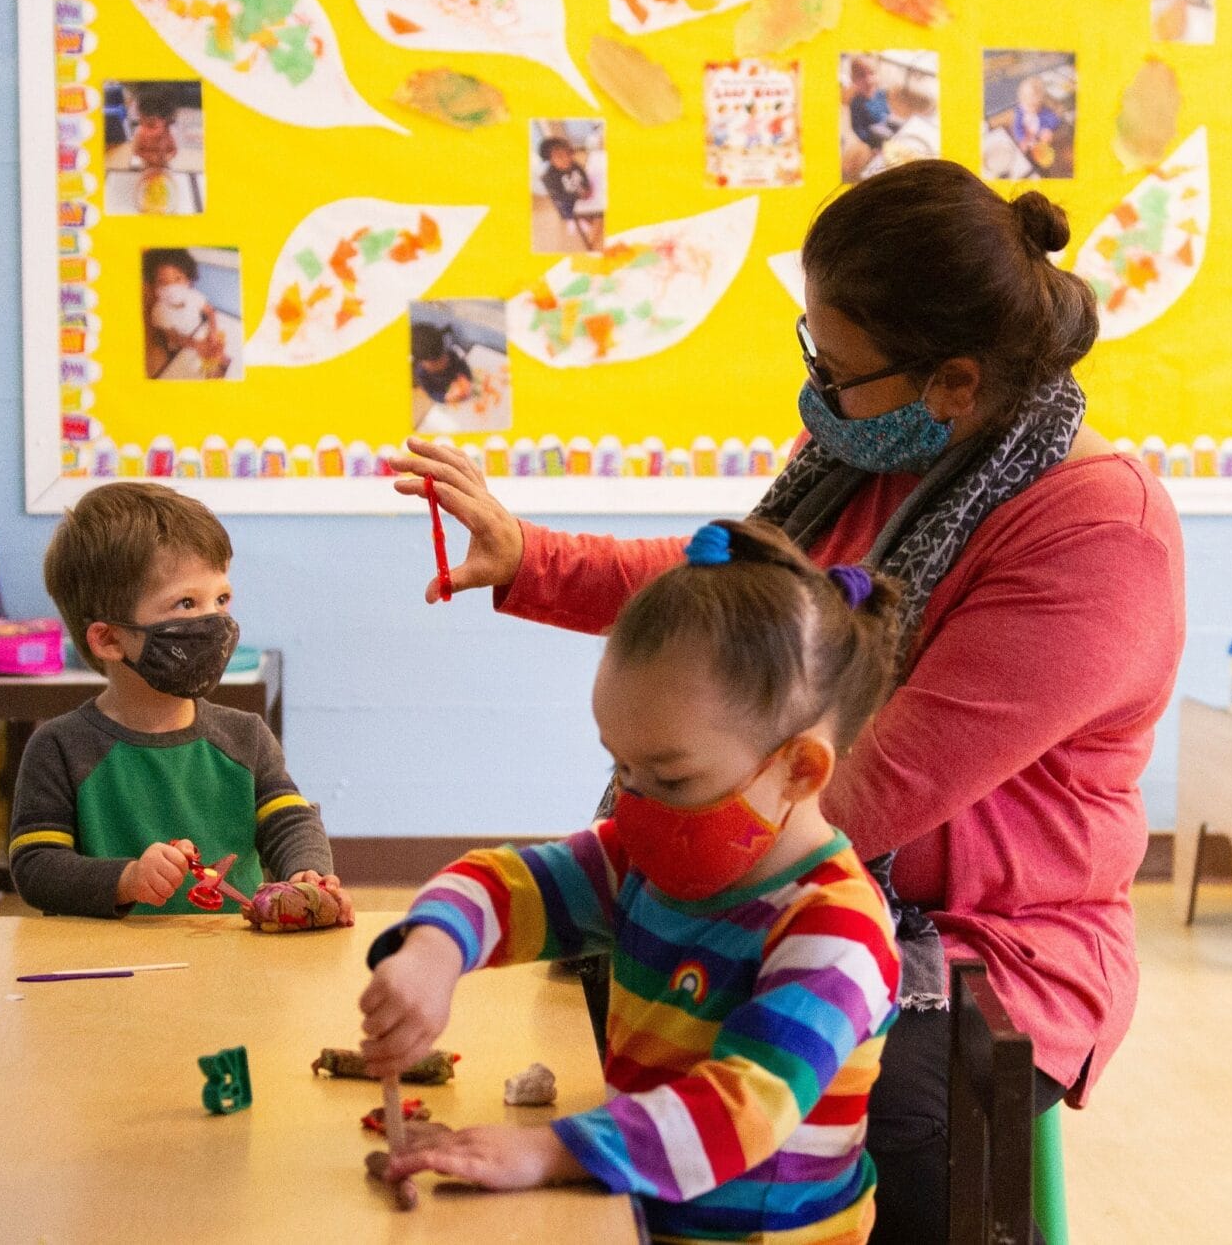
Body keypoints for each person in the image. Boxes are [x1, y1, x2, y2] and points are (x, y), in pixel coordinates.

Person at [390, 159, 1185, 1245]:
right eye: (812, 346)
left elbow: (861, 796)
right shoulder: (871, 444)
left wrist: (639, 862)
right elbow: (740, 612)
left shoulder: (1095, 534)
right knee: (603, 1012)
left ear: (951, 382)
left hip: (983, 948)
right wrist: (531, 558)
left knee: (835, 1102)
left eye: (839, 366)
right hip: (786, 870)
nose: (817, 391)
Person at [359, 520, 904, 1244]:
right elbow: (511, 883)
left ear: (800, 769)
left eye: (671, 776)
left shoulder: (838, 931)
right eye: (622, 768)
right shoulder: (644, 857)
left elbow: (744, 1108)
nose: (635, 803)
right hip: (631, 1214)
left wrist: (552, 1150)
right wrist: (432, 952)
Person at [11, 482, 351, 919]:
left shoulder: (245, 735)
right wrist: (127, 879)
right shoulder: (59, 747)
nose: (213, 621)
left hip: (233, 962)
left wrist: (307, 874)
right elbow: (36, 867)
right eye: (186, 603)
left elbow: (289, 819)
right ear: (110, 638)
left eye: (221, 599)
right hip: (104, 969)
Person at [141, 248, 239, 380]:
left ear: (188, 279)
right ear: (154, 286)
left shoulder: (193, 296)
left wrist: (213, 331)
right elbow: (174, 338)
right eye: (162, 281)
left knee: (224, 356)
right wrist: (197, 345)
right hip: (181, 346)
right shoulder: (159, 312)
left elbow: (210, 312)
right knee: (195, 370)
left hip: (200, 332)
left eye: (177, 278)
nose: (171, 287)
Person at [537, 135, 600, 251]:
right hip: (568, 206)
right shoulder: (549, 177)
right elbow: (559, 196)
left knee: (598, 210)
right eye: (559, 157)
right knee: (597, 217)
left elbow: (584, 175)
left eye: (568, 154)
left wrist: (587, 187)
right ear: (550, 159)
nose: (566, 159)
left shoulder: (574, 164)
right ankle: (591, 245)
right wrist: (577, 196)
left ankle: (593, 226)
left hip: (583, 198)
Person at [410, 323, 475, 430]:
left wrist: (466, 378)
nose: (442, 363)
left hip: (456, 385)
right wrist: (445, 398)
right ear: (422, 362)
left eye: (443, 357)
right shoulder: (421, 373)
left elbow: (463, 366)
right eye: (435, 363)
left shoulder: (451, 354)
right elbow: (431, 392)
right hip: (443, 392)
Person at [1007, 75, 1065, 176]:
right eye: (1028, 105)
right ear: (1021, 100)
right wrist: (1022, 139)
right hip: (1026, 140)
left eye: (1035, 106)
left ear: (1040, 103)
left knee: (1044, 166)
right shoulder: (1020, 112)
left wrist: (1048, 129)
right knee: (1023, 163)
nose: (1031, 109)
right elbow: (1017, 127)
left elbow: (1055, 119)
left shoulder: (1044, 111)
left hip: (1040, 142)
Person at [846, 57, 901, 149]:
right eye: (861, 76)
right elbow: (857, 128)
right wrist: (870, 143)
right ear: (854, 81)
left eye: (872, 73)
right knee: (887, 135)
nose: (868, 80)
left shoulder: (880, 93)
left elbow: (886, 108)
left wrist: (890, 115)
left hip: (885, 119)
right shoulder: (856, 103)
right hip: (873, 128)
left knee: (900, 123)